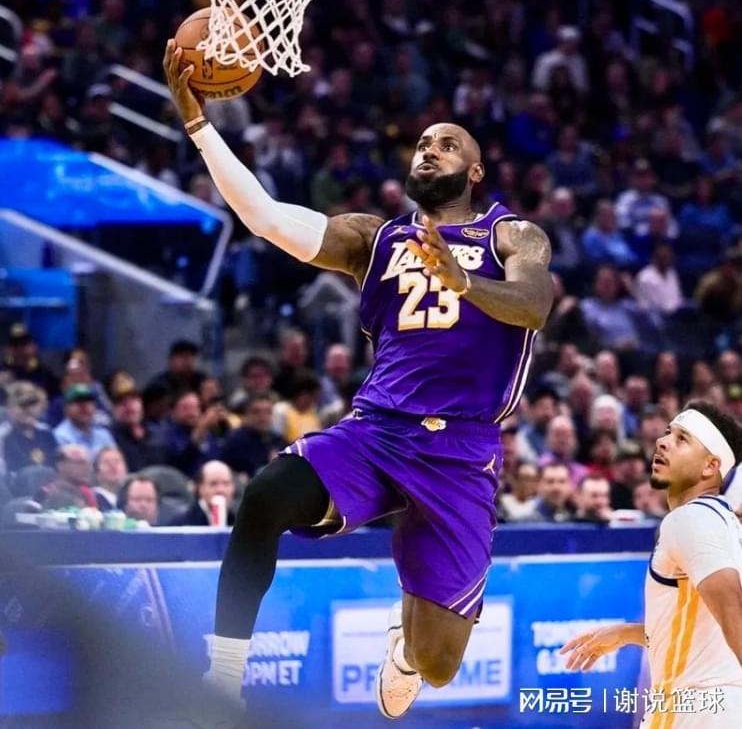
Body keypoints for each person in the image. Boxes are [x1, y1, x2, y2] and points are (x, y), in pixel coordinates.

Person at [164, 41, 553, 721]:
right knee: (266, 495)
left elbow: (534, 305)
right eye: (423, 144)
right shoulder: (376, 239)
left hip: (461, 452)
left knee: (438, 665)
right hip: (377, 431)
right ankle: (222, 678)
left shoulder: (512, 235)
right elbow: (267, 218)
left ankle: (404, 650)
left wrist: (466, 282)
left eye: (447, 144)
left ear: (475, 170)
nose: (429, 150)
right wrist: (198, 124)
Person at [561, 401, 742, 727]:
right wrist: (628, 633)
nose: (662, 441)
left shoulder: (692, 519)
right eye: (668, 432)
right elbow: (705, 632)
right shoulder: (724, 523)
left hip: (693, 709)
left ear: (710, 466)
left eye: (682, 439)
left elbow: (733, 614)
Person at [169, 460, 236, 526]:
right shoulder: (181, 523)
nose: (220, 490)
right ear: (200, 488)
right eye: (213, 484)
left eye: (226, 483)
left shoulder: (238, 520)